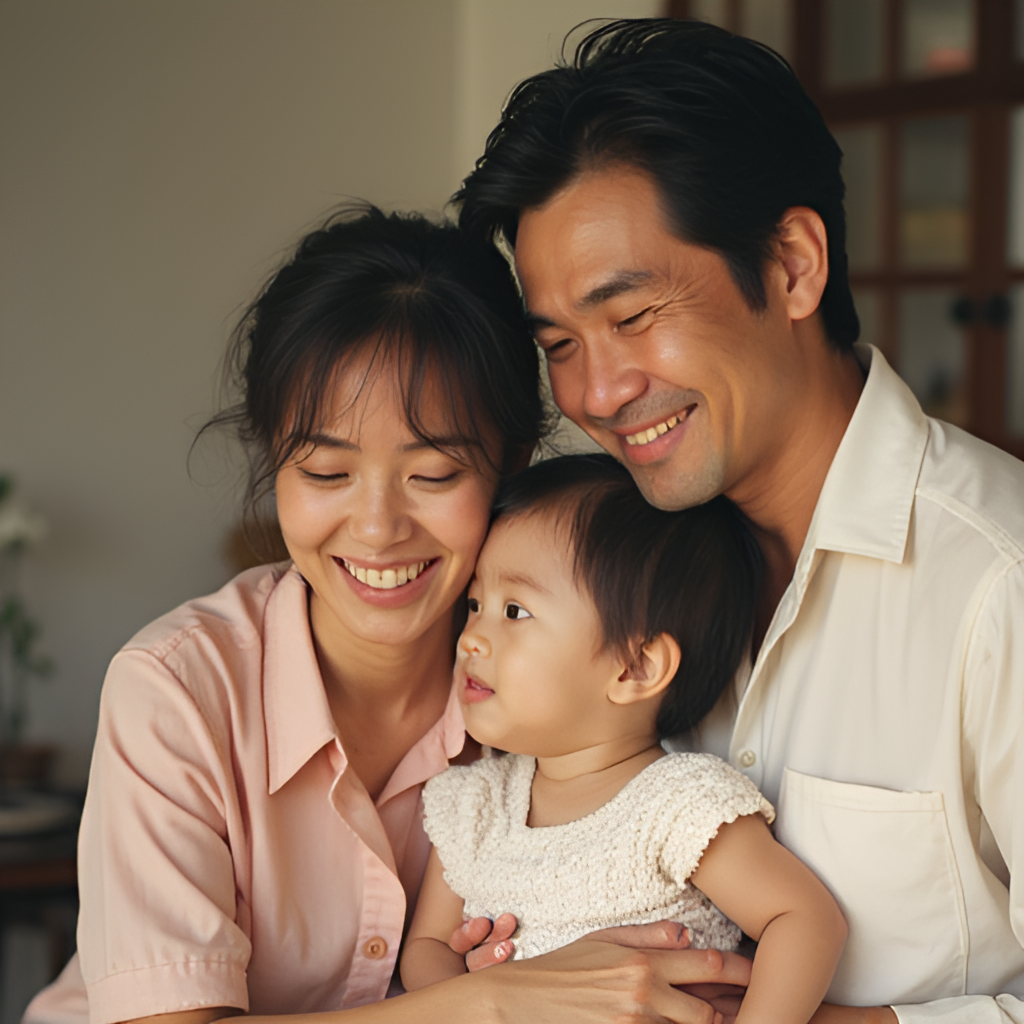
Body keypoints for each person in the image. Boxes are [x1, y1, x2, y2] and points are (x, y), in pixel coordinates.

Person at [24, 205, 754, 1024]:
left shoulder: (556, 689)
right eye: (326, 473)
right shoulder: (176, 691)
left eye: (433, 475)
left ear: (508, 468)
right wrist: (493, 1001)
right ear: (274, 462)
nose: (376, 530)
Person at [455, 17, 1024, 1024]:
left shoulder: (994, 578)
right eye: (558, 342)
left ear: (794, 265)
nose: (596, 390)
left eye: (631, 318)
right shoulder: (594, 562)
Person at [400, 454, 848, 1024]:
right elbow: (426, 949)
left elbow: (804, 918)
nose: (471, 639)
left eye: (514, 610)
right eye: (474, 605)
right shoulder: (474, 803)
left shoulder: (677, 806)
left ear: (635, 667)